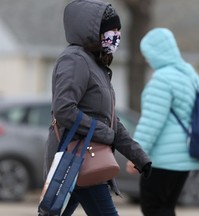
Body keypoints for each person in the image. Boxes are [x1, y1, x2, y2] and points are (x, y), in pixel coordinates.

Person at [42, 0, 151, 215]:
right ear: (93, 30)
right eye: (112, 30)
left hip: (85, 158)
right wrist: (104, 134)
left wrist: (139, 157)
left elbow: (110, 121)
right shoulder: (74, 60)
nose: (116, 36)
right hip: (76, 157)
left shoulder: (96, 64)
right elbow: (64, 109)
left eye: (119, 30)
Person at [126, 28, 199, 216]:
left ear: (156, 53)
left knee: (153, 207)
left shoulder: (162, 79)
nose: (146, 59)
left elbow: (152, 121)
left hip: (163, 158)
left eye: (147, 54)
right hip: (185, 155)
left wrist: (136, 155)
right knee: (166, 207)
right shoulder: (189, 75)